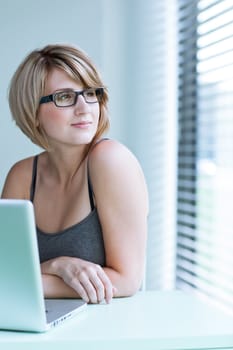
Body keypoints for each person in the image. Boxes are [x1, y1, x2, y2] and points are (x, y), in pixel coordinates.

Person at [1, 44, 149, 304]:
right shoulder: (23, 175)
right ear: (33, 112)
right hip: (42, 327)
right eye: (65, 97)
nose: (84, 108)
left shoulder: (110, 160)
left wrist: (35, 280)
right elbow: (6, 272)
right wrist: (59, 265)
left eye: (90, 93)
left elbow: (127, 280)